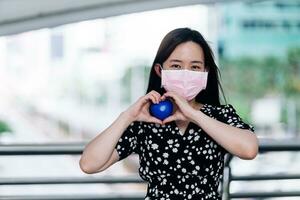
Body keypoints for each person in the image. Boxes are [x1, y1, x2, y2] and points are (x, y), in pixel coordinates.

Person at [79, 27, 259, 200]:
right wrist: (127, 117)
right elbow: (89, 164)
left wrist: (194, 115)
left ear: (205, 72)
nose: (186, 73)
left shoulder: (219, 115)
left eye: (195, 67)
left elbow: (249, 149)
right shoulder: (146, 120)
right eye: (176, 66)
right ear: (160, 71)